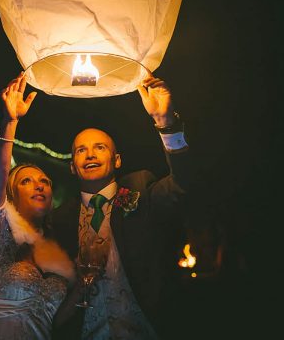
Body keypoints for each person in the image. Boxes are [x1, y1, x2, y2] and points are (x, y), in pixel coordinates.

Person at [50, 75, 192, 340]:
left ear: (116, 161)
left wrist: (166, 123)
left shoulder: (140, 188)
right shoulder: (60, 219)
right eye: (80, 150)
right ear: (72, 166)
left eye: (99, 147)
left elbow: (183, 184)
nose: (89, 154)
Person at [0, 72, 76, 340]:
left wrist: (85, 284)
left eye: (44, 181)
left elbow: (57, 320)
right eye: (27, 181)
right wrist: (9, 121)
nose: (39, 185)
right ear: (10, 195)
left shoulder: (59, 244)